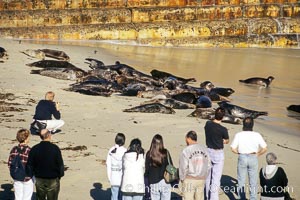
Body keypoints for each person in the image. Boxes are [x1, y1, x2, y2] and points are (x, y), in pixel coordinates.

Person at [230, 117, 267, 200]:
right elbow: (265, 148)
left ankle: (241, 198)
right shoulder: (257, 135)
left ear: (243, 125)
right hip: (253, 156)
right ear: (252, 125)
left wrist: (238, 153)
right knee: (253, 181)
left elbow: (233, 148)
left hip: (242, 156)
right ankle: (253, 198)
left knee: (241, 180)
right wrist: (258, 154)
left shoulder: (239, 134)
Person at [26, 129, 65, 200]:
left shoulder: (35, 148)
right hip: (52, 178)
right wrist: (60, 175)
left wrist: (31, 175)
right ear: (49, 135)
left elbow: (30, 165)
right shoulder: (55, 148)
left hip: (40, 178)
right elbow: (60, 164)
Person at [204, 107, 229, 200]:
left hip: (208, 151)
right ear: (223, 117)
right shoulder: (223, 129)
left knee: (208, 177)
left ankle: (207, 196)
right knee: (216, 178)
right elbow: (226, 140)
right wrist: (222, 141)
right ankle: (213, 198)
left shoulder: (208, 124)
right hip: (218, 152)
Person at [179, 130, 211, 200]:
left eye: (186, 139)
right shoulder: (204, 149)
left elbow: (183, 167)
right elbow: (209, 165)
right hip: (201, 179)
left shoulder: (186, 150)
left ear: (188, 138)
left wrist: (182, 178)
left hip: (189, 179)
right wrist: (204, 176)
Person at [8, 129, 33, 200]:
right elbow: (32, 164)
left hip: (16, 176)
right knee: (27, 197)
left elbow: (10, 163)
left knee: (18, 196)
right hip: (27, 177)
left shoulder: (14, 149)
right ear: (26, 138)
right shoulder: (29, 150)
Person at [145, 134, 172, 200]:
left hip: (153, 182)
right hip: (165, 181)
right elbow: (170, 166)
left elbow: (147, 169)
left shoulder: (149, 154)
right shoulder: (165, 152)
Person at [106, 133, 127, 200]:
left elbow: (108, 164)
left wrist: (109, 177)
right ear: (123, 141)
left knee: (114, 196)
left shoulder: (111, 150)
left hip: (113, 178)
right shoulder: (124, 151)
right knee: (121, 196)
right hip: (122, 178)